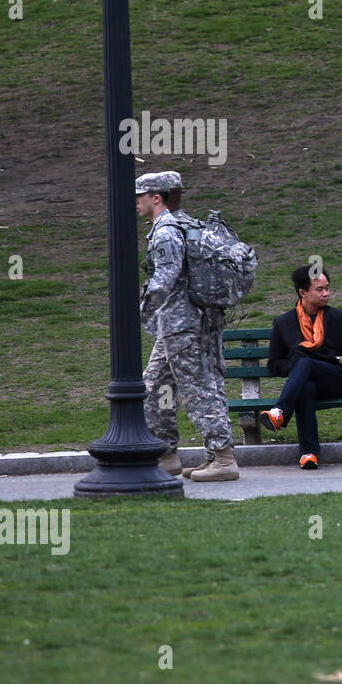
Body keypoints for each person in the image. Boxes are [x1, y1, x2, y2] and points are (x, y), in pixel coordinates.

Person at [136, 170, 239, 482]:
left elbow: (164, 281)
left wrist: (138, 314)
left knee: (197, 389)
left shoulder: (167, 231)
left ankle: (223, 457)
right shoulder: (179, 225)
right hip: (180, 323)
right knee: (152, 385)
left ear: (157, 197)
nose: (135, 202)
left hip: (184, 325)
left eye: (139, 196)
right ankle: (166, 455)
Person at [259, 265, 342, 468]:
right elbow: (274, 363)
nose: (326, 293)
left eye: (327, 288)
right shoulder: (284, 322)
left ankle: (280, 412)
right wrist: (295, 366)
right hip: (304, 383)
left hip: (333, 381)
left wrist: (337, 360)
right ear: (303, 292)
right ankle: (309, 454)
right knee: (304, 385)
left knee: (305, 362)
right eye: (319, 289)